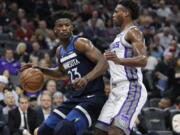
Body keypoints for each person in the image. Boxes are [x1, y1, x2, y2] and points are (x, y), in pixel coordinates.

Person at [23, 11, 107, 135]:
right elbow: (61, 73)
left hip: (93, 98)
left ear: (71, 27)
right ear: (55, 30)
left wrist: (86, 79)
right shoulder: (59, 51)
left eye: (67, 25)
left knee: (65, 129)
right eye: (60, 26)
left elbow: (104, 63)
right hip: (75, 98)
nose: (64, 28)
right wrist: (41, 69)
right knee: (44, 130)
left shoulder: (80, 42)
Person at [94, 1, 148, 135]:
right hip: (115, 91)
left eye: (116, 11)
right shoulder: (117, 39)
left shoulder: (134, 32)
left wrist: (119, 60)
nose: (113, 15)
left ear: (126, 13)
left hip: (131, 88)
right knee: (99, 131)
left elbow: (143, 59)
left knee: (116, 131)